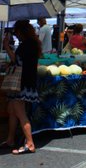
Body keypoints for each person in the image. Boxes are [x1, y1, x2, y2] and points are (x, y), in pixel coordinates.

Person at [1, 20, 41, 154]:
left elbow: (17, 61)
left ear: (21, 31)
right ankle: (10, 139)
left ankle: (30, 143)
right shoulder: (33, 44)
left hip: (21, 84)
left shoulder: (26, 45)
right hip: (26, 82)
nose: (16, 35)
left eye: (16, 32)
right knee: (12, 110)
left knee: (20, 113)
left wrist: (6, 47)